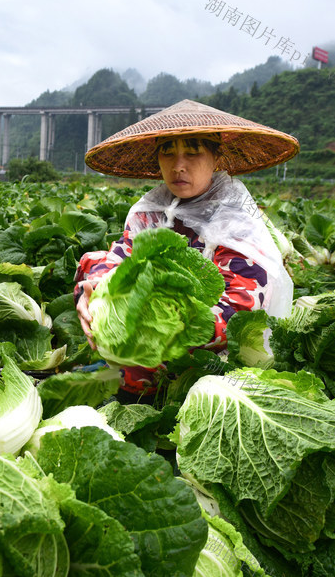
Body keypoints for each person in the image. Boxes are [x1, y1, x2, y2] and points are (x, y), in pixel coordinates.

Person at [74, 99, 299, 395]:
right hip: (143, 345)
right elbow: (118, 258)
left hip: (213, 361)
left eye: (193, 151)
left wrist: (159, 330)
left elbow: (239, 310)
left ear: (216, 157)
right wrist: (90, 294)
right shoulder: (151, 209)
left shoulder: (236, 218)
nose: (178, 166)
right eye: (168, 151)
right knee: (94, 260)